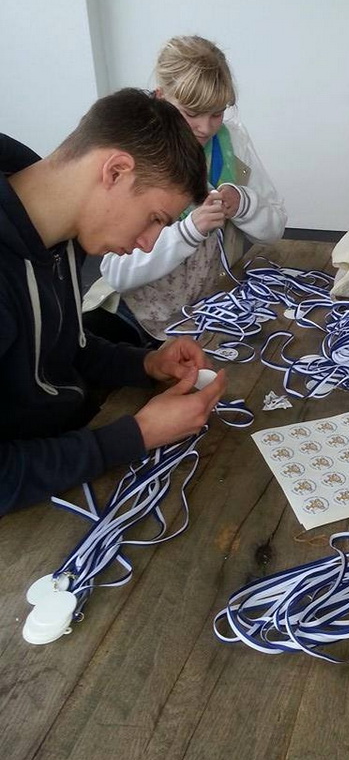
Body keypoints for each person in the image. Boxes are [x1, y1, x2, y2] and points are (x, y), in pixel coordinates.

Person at [0, 88, 226, 515]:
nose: (149, 242)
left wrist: (145, 364)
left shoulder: (63, 231)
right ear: (116, 171)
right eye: (155, 218)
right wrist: (135, 436)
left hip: (70, 437)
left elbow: (60, 346)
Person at [84, 35, 287, 345]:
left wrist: (243, 203)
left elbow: (274, 229)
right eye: (191, 113)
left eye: (217, 113)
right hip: (134, 318)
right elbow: (116, 272)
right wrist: (189, 232)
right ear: (160, 97)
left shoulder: (231, 144)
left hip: (205, 313)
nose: (205, 128)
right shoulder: (133, 157)